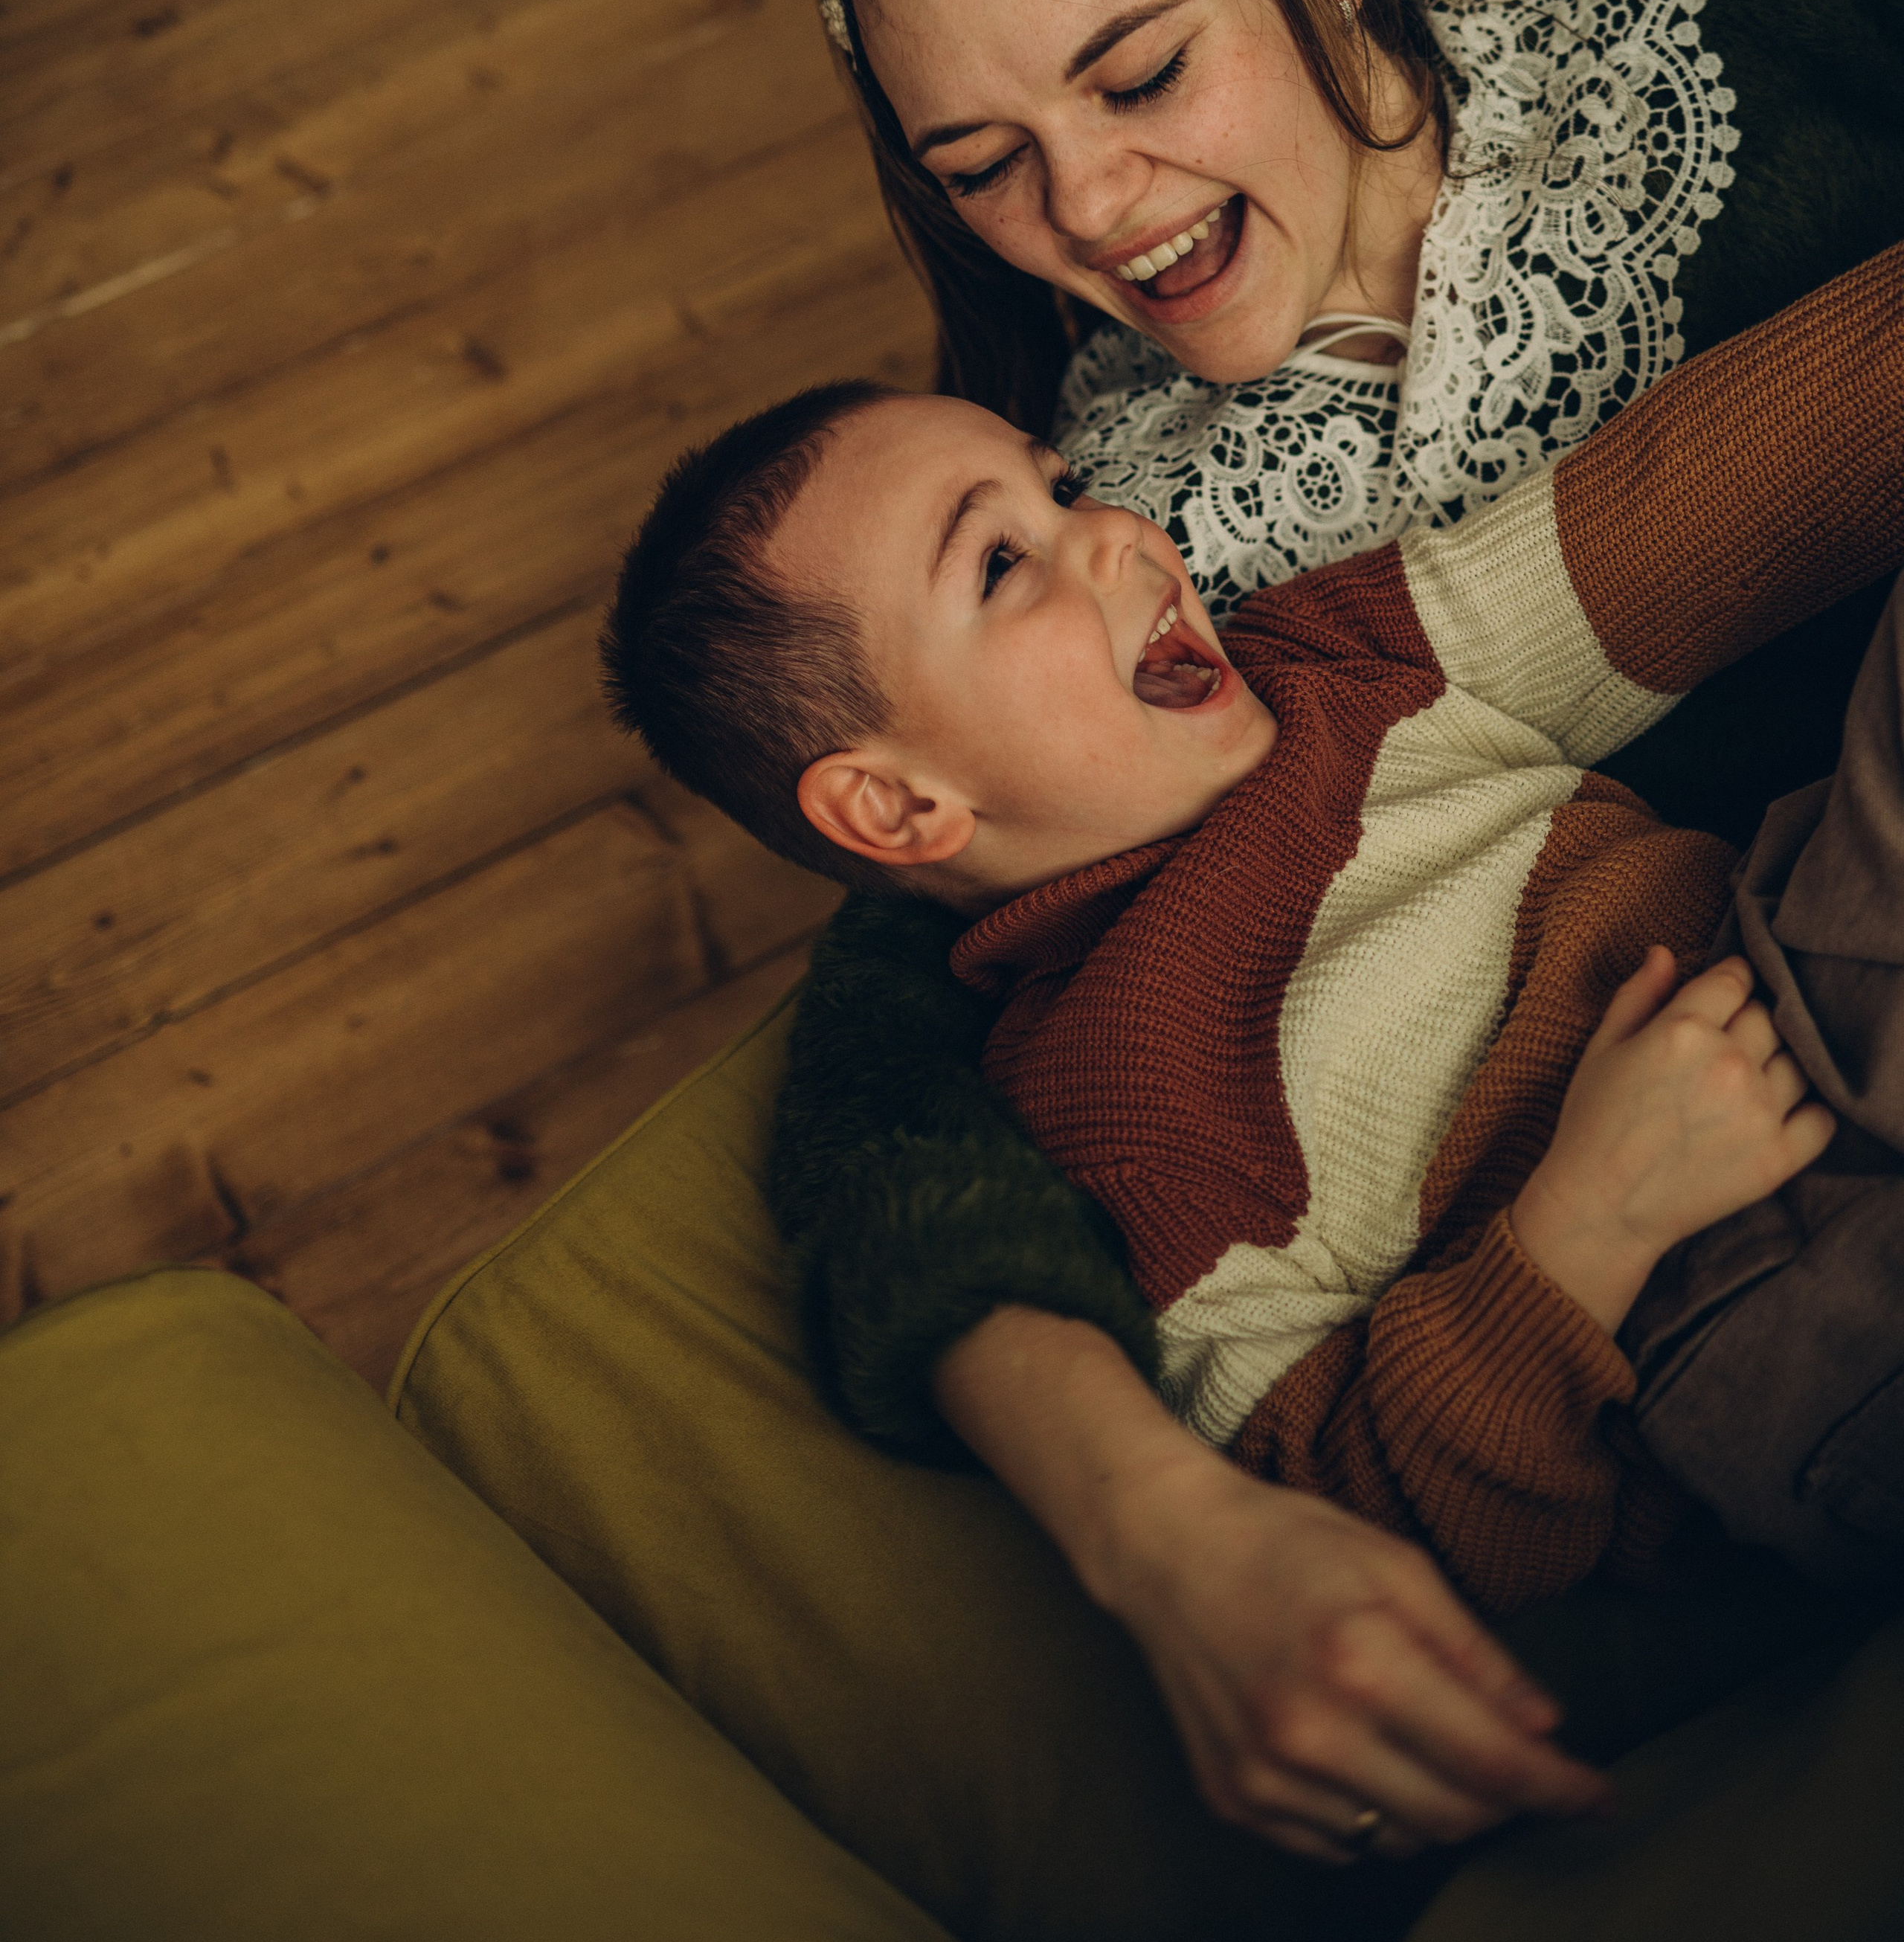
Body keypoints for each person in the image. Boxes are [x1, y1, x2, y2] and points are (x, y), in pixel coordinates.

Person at [769, 0, 1904, 1865]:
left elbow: (1720, 488)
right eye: (982, 162)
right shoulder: (1143, 570)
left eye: (1137, 73)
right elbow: (887, 1078)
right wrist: (1157, 1531)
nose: (1090, 215)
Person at [604, 244, 1902, 1629]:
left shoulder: (1328, 660)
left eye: (1061, 488)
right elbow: (1366, 1518)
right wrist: (1587, 1225)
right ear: (897, 802)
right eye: (1000, 562)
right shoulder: (1113, 1105)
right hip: (1740, 1295)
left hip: (1817, 954)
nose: (1114, 534)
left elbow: (1696, 503)